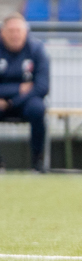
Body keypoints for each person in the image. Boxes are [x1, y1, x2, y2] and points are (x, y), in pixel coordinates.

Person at [0, 13, 48, 173]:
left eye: (18, 30)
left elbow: (42, 87)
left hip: (26, 101)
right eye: (11, 30)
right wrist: (17, 89)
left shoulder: (37, 50)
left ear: (26, 32)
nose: (15, 35)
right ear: (2, 32)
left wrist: (12, 101)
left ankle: (37, 161)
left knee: (38, 108)